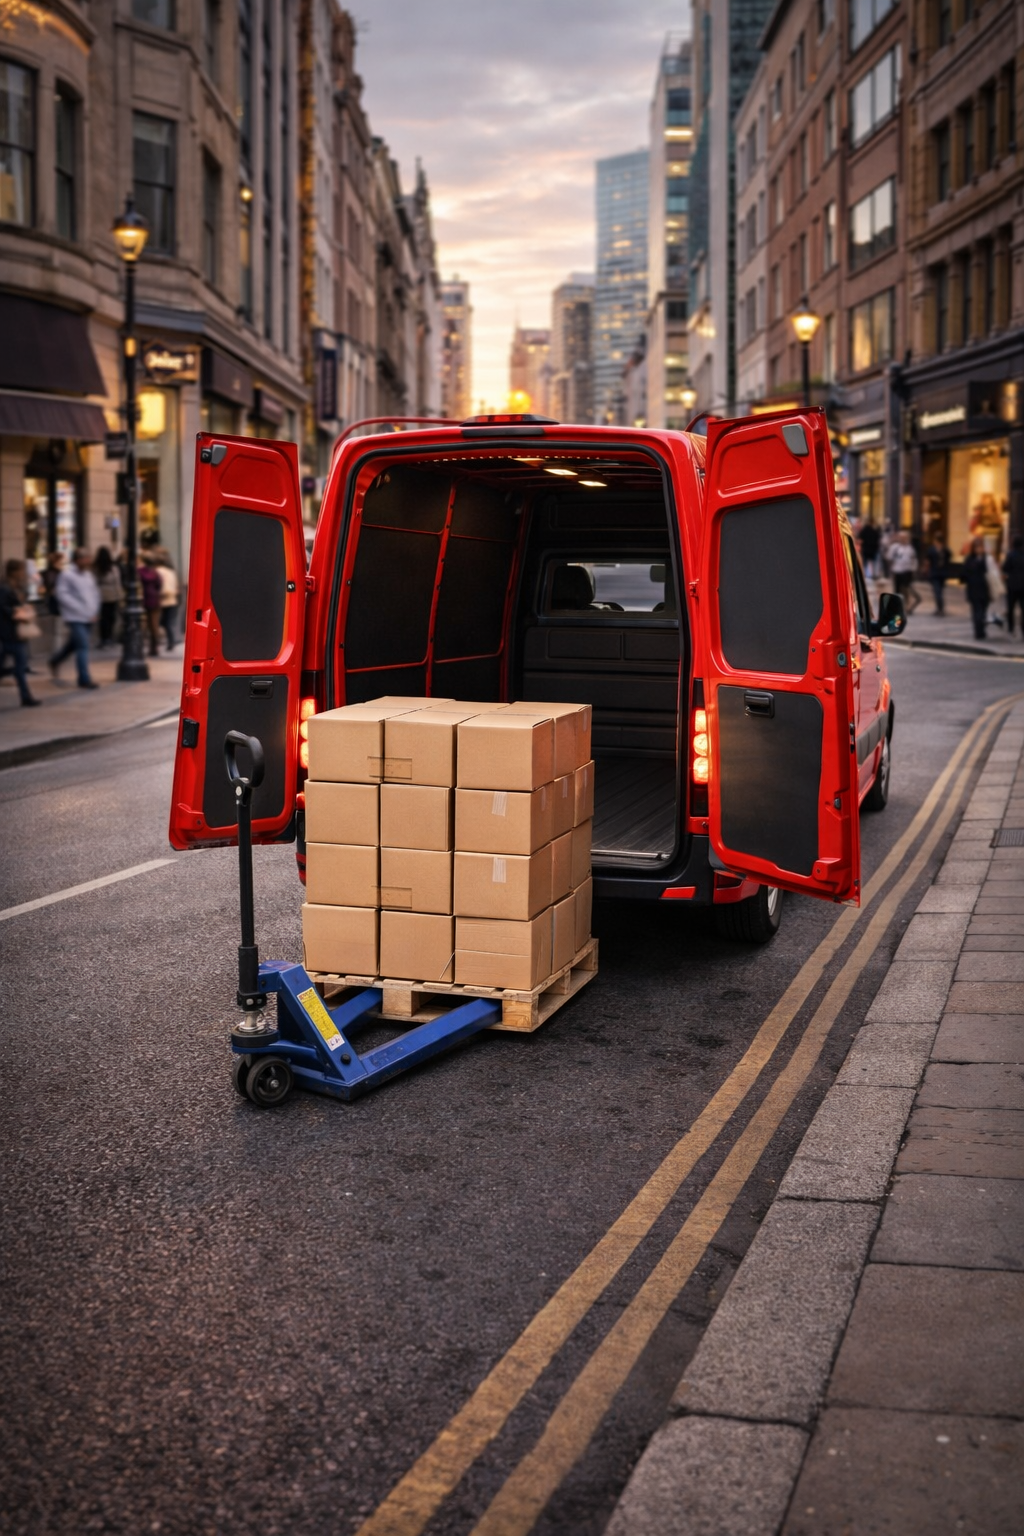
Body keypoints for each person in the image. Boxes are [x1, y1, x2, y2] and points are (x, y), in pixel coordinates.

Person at [50, 547, 100, 689]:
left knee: (74, 644)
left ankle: (55, 660)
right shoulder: (66, 575)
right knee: (83, 646)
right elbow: (62, 595)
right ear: (77, 560)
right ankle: (84, 678)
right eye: (85, 558)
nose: (88, 561)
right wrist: (80, 609)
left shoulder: (88, 575)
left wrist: (94, 610)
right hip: (74, 617)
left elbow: (94, 593)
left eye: (88, 558)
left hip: (89, 616)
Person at [0, 559, 41, 706]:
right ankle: (26, 697)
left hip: (15, 631)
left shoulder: (16, 587)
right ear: (14, 571)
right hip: (11, 631)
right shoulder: (5, 588)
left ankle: (26, 697)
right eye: (21, 570)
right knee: (20, 666)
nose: (23, 573)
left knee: (16, 665)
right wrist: (17, 612)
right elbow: (4, 608)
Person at [962, 537, 991, 642]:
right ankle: (978, 632)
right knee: (977, 612)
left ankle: (981, 630)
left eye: (980, 547)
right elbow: (964, 574)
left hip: (985, 589)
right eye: (977, 547)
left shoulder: (987, 558)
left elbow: (991, 573)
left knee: (983, 611)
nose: (979, 549)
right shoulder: (969, 559)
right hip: (973, 589)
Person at [93, 545, 123, 647]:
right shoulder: (113, 568)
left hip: (102, 596)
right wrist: (120, 595)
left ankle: (105, 638)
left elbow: (95, 583)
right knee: (110, 618)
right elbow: (117, 583)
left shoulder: (97, 569)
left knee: (105, 618)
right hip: (111, 596)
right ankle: (108, 637)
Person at [887, 530, 920, 613]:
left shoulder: (910, 548)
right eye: (901, 537)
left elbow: (914, 559)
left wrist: (913, 570)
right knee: (897, 590)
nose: (903, 539)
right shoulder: (895, 547)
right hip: (897, 571)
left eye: (904, 537)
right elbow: (889, 558)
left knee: (906, 589)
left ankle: (907, 606)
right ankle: (897, 607)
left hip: (907, 571)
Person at [139, 552, 163, 658]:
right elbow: (159, 585)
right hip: (154, 599)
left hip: (143, 599)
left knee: (144, 625)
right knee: (154, 625)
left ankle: (145, 646)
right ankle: (154, 647)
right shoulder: (155, 573)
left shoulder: (140, 571)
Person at [156, 549, 180, 652]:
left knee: (164, 622)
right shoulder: (171, 571)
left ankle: (170, 641)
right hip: (172, 599)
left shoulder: (158, 571)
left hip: (163, 600)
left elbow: (163, 587)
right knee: (169, 622)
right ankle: (171, 641)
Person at [924, 532, 950, 616]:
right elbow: (928, 560)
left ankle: (940, 608)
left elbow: (948, 558)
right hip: (935, 573)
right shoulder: (932, 549)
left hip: (941, 573)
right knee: (937, 591)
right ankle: (940, 608)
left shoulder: (945, 549)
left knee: (939, 591)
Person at [1003, 535, 1024, 638]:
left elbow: (1005, 567)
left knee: (1011, 608)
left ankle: (1011, 629)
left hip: (1012, 586)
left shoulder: (1010, 555)